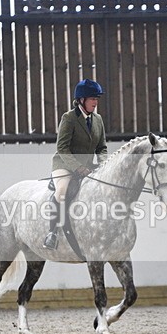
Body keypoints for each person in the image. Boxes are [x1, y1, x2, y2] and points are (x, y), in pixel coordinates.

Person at [43, 78, 109, 250]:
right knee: (62, 191)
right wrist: (78, 168)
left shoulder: (98, 120)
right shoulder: (69, 118)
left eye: (97, 99)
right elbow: (62, 147)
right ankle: (52, 233)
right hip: (64, 165)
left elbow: (101, 147)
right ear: (81, 100)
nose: (95, 102)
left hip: (88, 167)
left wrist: (103, 164)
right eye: (92, 98)